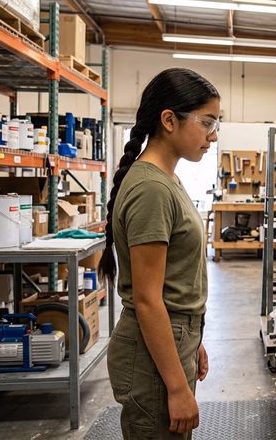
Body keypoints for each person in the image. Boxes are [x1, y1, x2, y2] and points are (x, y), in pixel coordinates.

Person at [99, 68, 220, 438]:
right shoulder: (151, 188)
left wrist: (191, 339)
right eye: (207, 123)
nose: (213, 136)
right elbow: (148, 299)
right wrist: (178, 387)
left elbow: (173, 281)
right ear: (169, 120)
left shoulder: (168, 180)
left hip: (172, 337)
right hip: (151, 351)